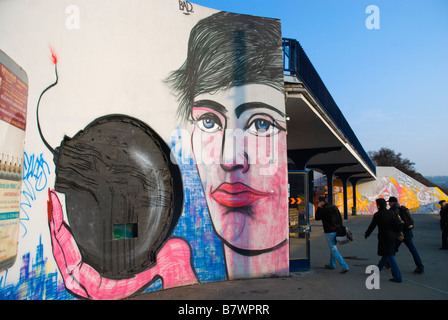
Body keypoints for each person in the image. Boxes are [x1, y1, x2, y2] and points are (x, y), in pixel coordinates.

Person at [365, 198, 403, 283]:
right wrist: (398, 234)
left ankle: (398, 277)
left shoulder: (378, 215)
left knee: (390, 256)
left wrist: (367, 233)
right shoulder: (390, 213)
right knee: (386, 254)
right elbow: (396, 224)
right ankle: (378, 269)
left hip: (384, 237)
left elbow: (372, 225)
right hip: (392, 236)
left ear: (378, 205)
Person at [388, 196, 424, 274]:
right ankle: (420, 266)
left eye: (389, 202)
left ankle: (388, 263)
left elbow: (397, 223)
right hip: (408, 233)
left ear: (392, 203)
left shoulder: (393, 211)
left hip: (400, 234)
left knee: (392, 249)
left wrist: (398, 234)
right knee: (413, 250)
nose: (389, 204)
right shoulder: (402, 209)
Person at [315, 196, 349, 273]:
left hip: (330, 231)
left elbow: (317, 217)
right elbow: (340, 218)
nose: (318, 203)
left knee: (333, 249)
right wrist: (340, 227)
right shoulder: (334, 207)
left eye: (319, 202)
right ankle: (332, 264)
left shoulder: (324, 209)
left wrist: (319, 207)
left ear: (322, 202)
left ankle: (344, 266)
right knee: (333, 248)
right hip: (337, 230)